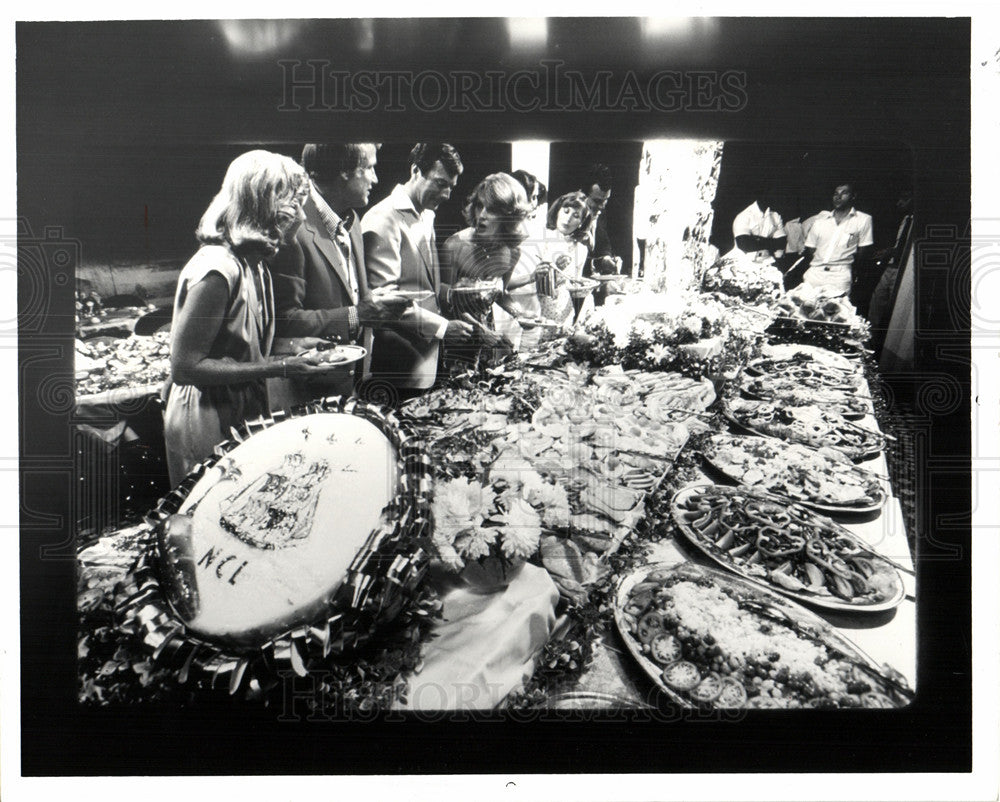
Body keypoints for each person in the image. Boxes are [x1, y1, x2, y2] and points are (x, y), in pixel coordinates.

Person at [163, 150, 338, 485]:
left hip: (236, 406)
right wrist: (279, 367)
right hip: (205, 417)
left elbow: (239, 345)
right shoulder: (217, 268)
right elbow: (185, 368)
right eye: (293, 204)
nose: (301, 217)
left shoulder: (255, 264)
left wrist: (293, 346)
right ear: (262, 205)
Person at [269, 143, 410, 406]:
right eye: (369, 168)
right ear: (345, 171)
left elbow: (353, 299)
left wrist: (374, 305)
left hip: (351, 387)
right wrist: (357, 315)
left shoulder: (352, 220)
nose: (376, 179)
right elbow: (283, 322)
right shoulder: (294, 228)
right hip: (305, 396)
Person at [361, 143, 474, 399]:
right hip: (398, 363)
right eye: (440, 183)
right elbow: (384, 303)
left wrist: (453, 294)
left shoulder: (426, 214)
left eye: (451, 187)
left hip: (427, 358)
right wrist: (444, 328)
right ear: (415, 171)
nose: (446, 194)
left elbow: (422, 285)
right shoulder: (383, 219)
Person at [440, 172, 537, 360]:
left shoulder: (512, 251)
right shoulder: (455, 245)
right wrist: (480, 332)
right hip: (457, 338)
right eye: (479, 206)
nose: (482, 215)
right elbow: (443, 301)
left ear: (510, 215)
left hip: (488, 338)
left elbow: (499, 293)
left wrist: (520, 314)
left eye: (491, 209)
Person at [528, 191, 594, 327]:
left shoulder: (581, 249)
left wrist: (583, 286)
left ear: (581, 223)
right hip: (537, 306)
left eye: (575, 216)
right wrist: (554, 267)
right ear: (557, 211)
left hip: (565, 308)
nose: (568, 219)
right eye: (565, 211)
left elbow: (574, 285)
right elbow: (532, 278)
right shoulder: (542, 237)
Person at [797, 183, 874, 297]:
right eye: (836, 194)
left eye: (844, 193)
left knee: (836, 312)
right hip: (815, 273)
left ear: (853, 196)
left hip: (840, 276)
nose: (838, 197)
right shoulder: (820, 221)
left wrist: (848, 267)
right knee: (805, 310)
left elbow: (863, 250)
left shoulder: (863, 220)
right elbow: (811, 247)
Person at [732, 192, 787, 261]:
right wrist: (772, 243)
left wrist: (756, 239)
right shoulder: (743, 216)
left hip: (768, 261)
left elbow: (782, 242)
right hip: (743, 261)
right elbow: (745, 244)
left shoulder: (775, 216)